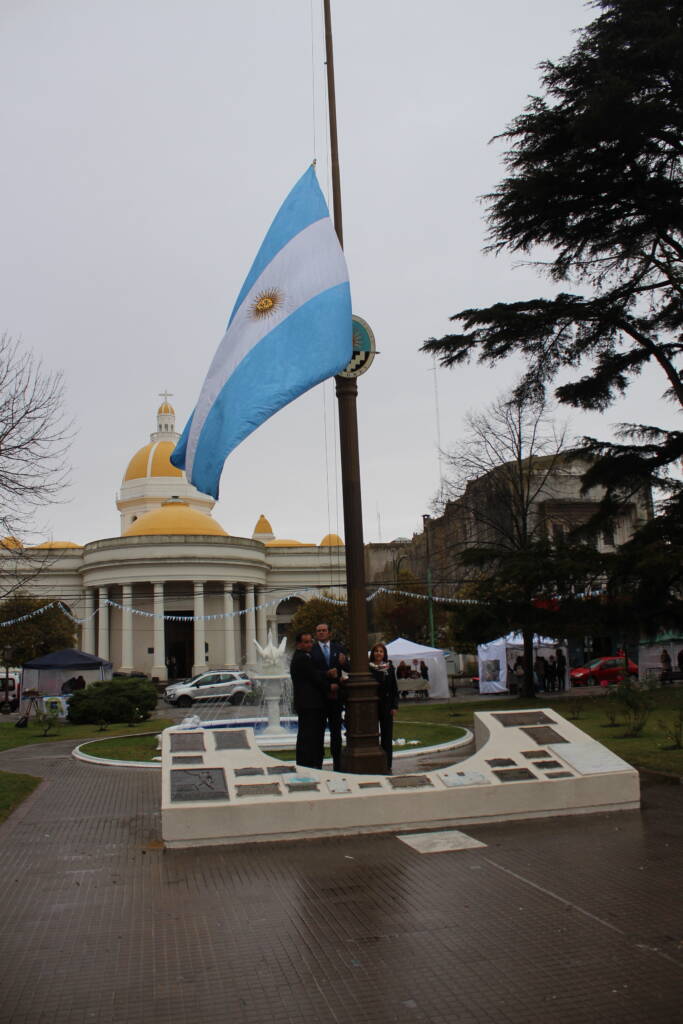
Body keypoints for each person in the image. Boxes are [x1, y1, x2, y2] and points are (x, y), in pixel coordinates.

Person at [310, 622, 348, 771]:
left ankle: (337, 763)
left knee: (336, 731)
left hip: (336, 697)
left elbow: (348, 669)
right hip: (319, 697)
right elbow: (311, 673)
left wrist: (344, 663)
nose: (321, 633)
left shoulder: (338, 649)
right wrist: (326, 677)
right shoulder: (312, 650)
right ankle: (317, 763)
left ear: (329, 632)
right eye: (318, 631)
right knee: (318, 732)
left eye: (324, 630)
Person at [289, 631, 329, 769]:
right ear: (299, 644)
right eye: (306, 642)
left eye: (310, 641)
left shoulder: (304, 657)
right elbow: (315, 677)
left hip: (307, 704)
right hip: (310, 704)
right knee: (310, 736)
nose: (309, 644)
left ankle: (308, 762)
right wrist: (330, 681)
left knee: (308, 736)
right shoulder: (302, 658)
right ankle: (309, 764)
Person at [369, 643, 400, 772]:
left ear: (384, 654)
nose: (378, 653)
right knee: (373, 733)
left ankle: (387, 763)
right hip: (372, 705)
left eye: (381, 651)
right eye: (376, 651)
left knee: (387, 735)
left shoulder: (389, 668)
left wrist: (394, 706)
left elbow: (394, 688)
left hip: (387, 705)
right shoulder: (368, 668)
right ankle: (373, 761)